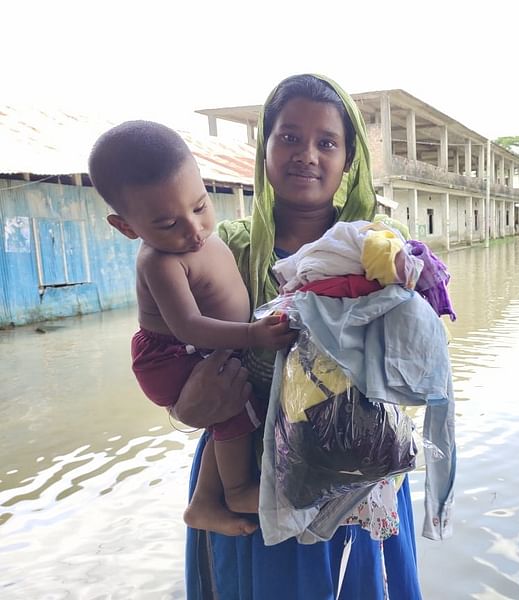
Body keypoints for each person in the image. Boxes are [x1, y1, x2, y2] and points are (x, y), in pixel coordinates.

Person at [170, 74, 423, 599]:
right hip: (246, 476)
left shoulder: (379, 250)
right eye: (288, 137)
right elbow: (173, 357)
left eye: (326, 142)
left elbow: (412, 366)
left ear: (348, 161)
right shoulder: (221, 252)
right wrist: (183, 410)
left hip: (355, 464)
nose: (306, 154)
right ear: (264, 149)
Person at [88, 122, 297, 537]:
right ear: (126, 227)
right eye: (168, 224)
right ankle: (236, 490)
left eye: (200, 206)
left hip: (201, 348)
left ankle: (203, 503)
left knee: (231, 416)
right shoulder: (160, 263)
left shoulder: (215, 237)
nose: (193, 230)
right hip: (174, 355)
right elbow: (190, 327)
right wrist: (253, 335)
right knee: (234, 407)